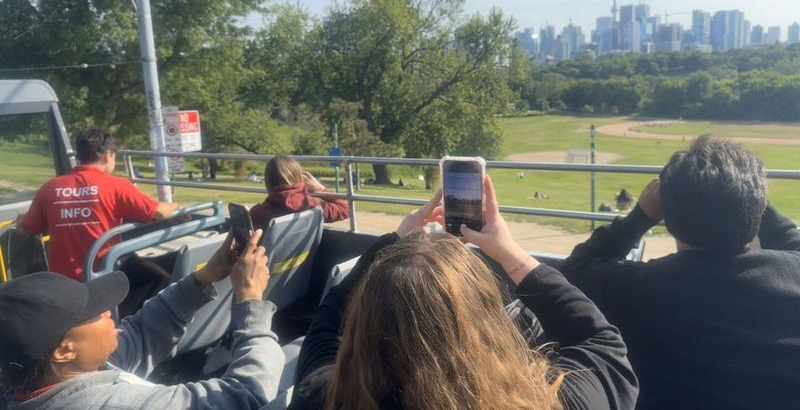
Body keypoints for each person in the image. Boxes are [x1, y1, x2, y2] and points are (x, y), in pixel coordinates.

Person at [289, 177, 638, 410]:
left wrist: (394, 241)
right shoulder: (551, 399)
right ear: (488, 322)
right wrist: (509, 253)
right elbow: (602, 342)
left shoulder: (321, 396)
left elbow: (326, 322)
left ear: (361, 323)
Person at [559, 136, 800, 409]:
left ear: (667, 217)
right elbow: (791, 239)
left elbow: (575, 269)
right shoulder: (793, 272)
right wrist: (741, 190)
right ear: (757, 206)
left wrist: (640, 216)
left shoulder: (637, 289)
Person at [0, 229, 284, 409]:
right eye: (95, 312)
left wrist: (204, 277)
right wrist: (250, 300)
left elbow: (138, 335)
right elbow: (246, 395)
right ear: (64, 350)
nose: (109, 311)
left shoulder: (44, 379)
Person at [16, 128, 179, 280]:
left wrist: (23, 218)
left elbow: (25, 228)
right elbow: (159, 212)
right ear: (108, 155)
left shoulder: (50, 188)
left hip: (62, 282)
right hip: (102, 276)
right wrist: (175, 206)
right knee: (161, 279)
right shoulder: (116, 186)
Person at [249, 156, 349, 231]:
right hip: (305, 258)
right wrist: (320, 189)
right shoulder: (314, 206)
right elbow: (346, 209)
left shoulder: (256, 214)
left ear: (268, 181)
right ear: (299, 177)